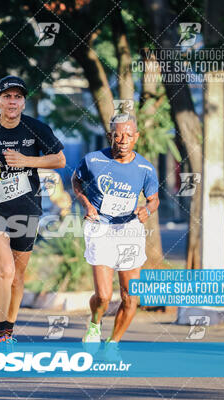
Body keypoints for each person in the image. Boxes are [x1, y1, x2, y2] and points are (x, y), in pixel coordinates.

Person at [0, 75, 66, 345]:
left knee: (18, 277)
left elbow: (60, 159)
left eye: (17, 97)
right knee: (5, 270)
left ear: (23, 102)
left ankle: (8, 330)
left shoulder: (36, 128)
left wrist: (28, 160)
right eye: (7, 96)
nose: (12, 101)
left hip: (26, 207)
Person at [72, 115, 159, 353]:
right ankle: (94, 324)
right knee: (103, 295)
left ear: (136, 137)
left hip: (129, 230)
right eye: (118, 135)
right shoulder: (92, 160)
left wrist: (147, 210)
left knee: (130, 296)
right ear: (110, 135)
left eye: (128, 135)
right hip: (100, 226)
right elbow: (76, 181)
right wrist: (87, 205)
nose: (122, 140)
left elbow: (154, 200)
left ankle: (114, 343)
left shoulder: (145, 168)